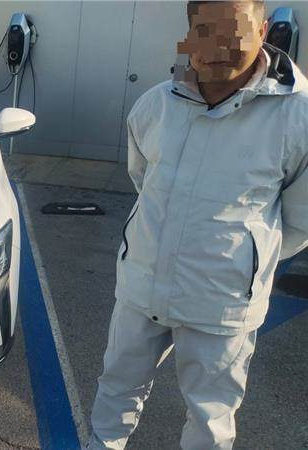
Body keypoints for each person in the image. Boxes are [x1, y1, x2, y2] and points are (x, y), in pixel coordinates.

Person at [88, 1, 308, 448]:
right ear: (189, 35)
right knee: (116, 388)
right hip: (141, 286)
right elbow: (143, 180)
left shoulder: (298, 117)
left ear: (263, 29)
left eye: (235, 30)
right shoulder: (156, 104)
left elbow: (299, 223)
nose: (219, 46)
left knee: (210, 418)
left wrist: (240, 262)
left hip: (221, 305)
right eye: (206, 30)